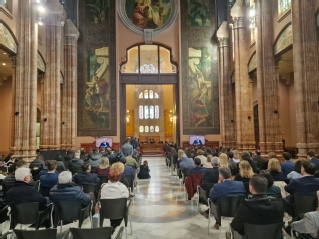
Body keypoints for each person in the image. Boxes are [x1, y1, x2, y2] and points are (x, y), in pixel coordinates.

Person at [99, 169, 129, 234]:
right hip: (119, 212)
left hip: (106, 211)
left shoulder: (103, 187)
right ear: (119, 177)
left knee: (113, 205)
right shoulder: (122, 187)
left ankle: (113, 226)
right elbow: (126, 196)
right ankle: (114, 226)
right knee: (123, 206)